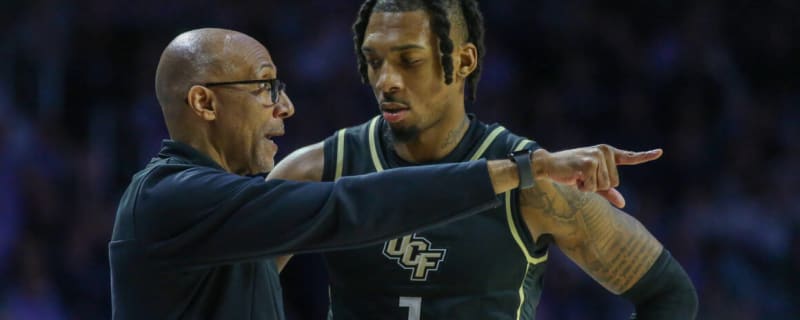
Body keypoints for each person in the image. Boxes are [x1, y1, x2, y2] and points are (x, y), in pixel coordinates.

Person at [108, 28, 645, 320]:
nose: (285, 106)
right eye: (266, 87)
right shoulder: (171, 200)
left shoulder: (223, 207)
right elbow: (351, 206)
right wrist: (524, 169)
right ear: (203, 102)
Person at [268, 1, 698, 319]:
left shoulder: (538, 181)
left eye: (409, 61)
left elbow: (670, 296)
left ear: (464, 59)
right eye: (373, 61)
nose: (386, 81)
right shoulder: (317, 171)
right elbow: (227, 293)